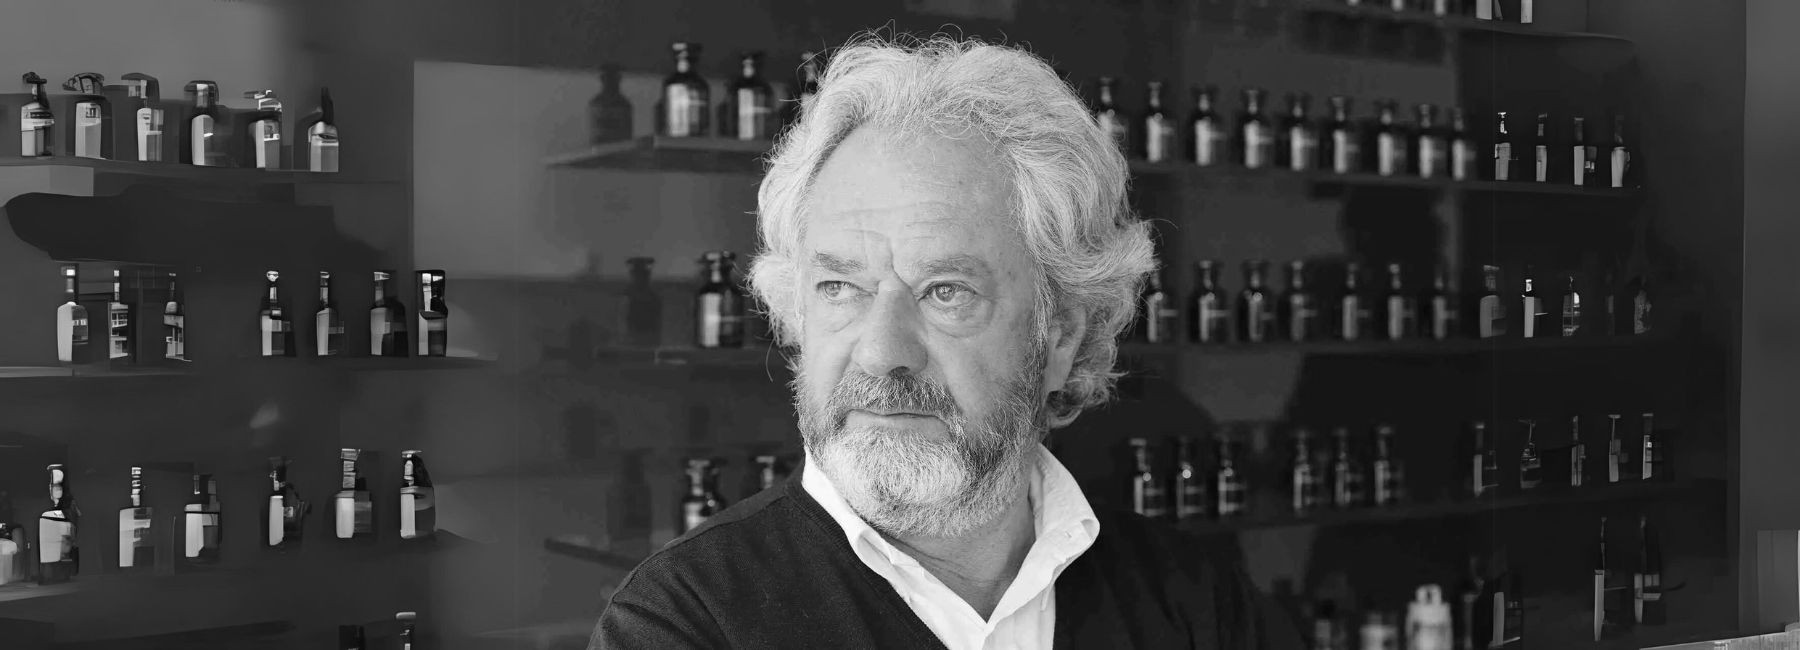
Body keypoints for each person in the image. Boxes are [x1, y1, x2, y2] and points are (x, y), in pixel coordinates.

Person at [591, 32, 1300, 650]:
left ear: (1058, 338)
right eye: (841, 289)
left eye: (945, 292)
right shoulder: (684, 625)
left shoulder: (1197, 602)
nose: (880, 352)